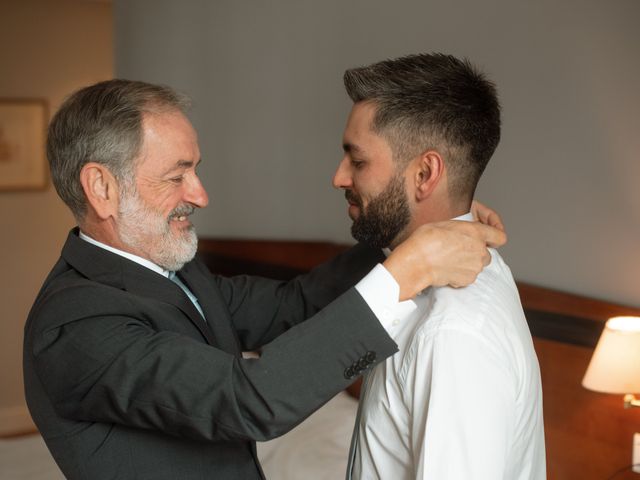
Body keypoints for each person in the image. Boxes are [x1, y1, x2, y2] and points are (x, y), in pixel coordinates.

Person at [23, 79, 505, 480]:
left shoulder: (176, 268)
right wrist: (412, 268)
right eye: (177, 176)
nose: (201, 194)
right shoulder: (74, 326)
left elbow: (294, 303)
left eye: (196, 169)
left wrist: (407, 232)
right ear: (102, 188)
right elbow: (249, 399)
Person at [335, 53, 546, 479]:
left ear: (425, 174)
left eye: (357, 161)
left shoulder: (452, 334)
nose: (340, 177)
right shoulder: (412, 283)